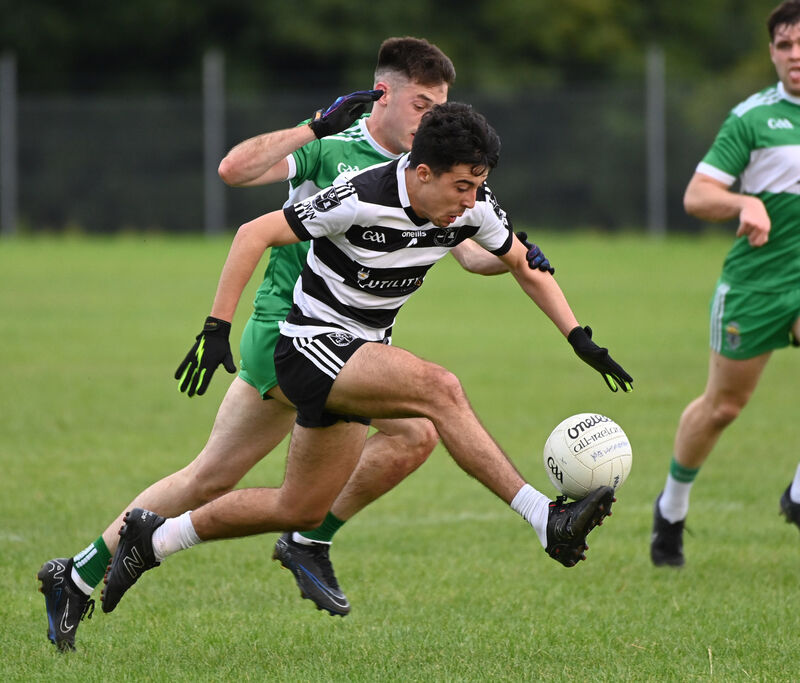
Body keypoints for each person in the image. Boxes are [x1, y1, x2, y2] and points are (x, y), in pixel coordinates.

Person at [36, 37, 555, 652]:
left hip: (340, 340)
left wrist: (516, 256)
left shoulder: (432, 177)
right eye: (422, 104)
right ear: (382, 96)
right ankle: (308, 538)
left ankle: (79, 571)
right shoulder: (334, 150)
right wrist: (311, 128)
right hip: (286, 331)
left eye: (441, 106)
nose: (433, 118)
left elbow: (470, 252)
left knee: (211, 477)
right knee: (416, 428)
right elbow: (235, 171)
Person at [99, 102, 633, 620]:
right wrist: (217, 326)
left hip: (361, 357)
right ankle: (544, 518)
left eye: (478, 186)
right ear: (422, 173)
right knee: (439, 390)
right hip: (308, 346)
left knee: (299, 508)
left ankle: (152, 539)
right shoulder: (360, 195)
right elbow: (254, 233)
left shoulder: (473, 207)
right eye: (462, 187)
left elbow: (520, 259)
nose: (471, 202)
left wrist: (578, 337)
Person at [650, 0, 800, 568]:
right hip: (756, 286)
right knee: (723, 407)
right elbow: (697, 195)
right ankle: (671, 508)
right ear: (771, 53)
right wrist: (744, 202)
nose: (795, 54)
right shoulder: (753, 118)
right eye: (784, 45)